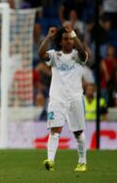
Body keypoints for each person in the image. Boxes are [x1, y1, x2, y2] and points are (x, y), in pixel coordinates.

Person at [38, 24, 89, 172]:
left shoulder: (78, 56)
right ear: (60, 41)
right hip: (57, 99)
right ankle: (50, 160)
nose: (69, 41)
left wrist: (73, 33)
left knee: (78, 132)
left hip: (75, 98)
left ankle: (82, 162)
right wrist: (48, 37)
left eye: (70, 39)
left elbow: (84, 54)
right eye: (66, 39)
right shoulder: (55, 55)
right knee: (55, 130)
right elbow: (41, 55)